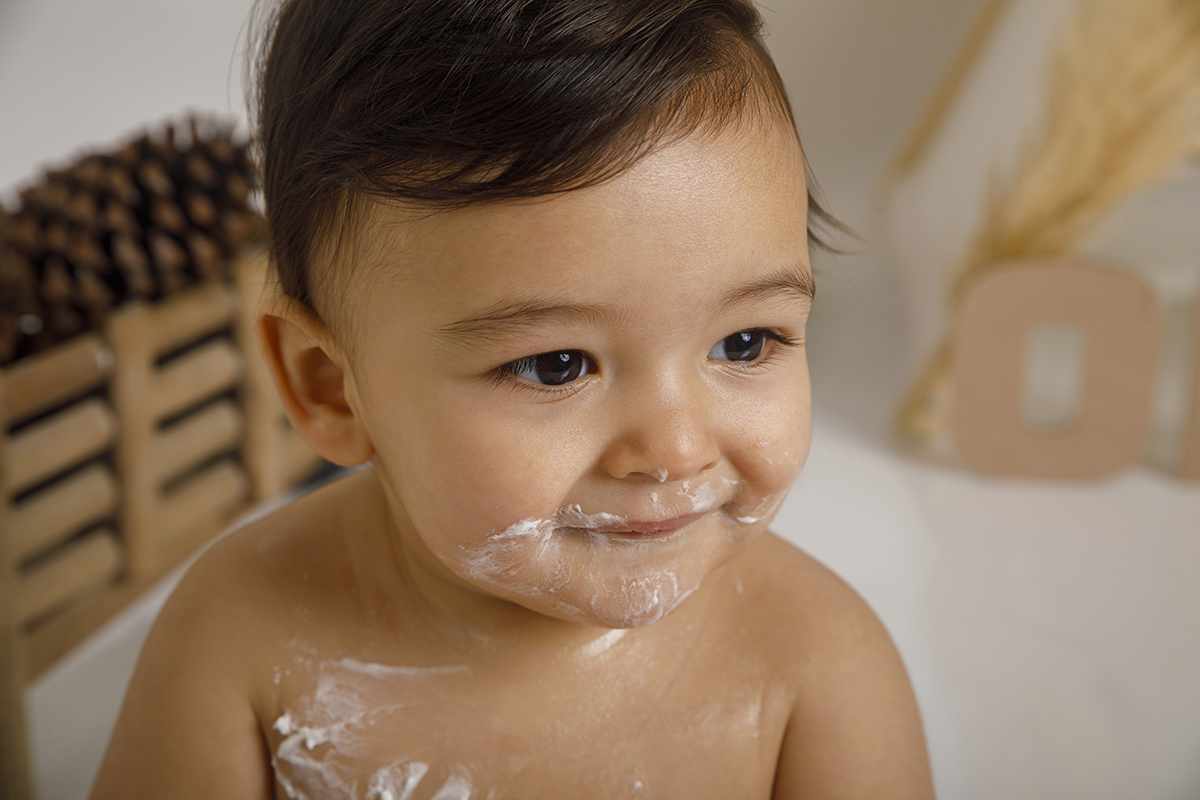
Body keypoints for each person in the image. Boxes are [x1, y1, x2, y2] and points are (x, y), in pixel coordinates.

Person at [90, 1, 934, 797]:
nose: (678, 450)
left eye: (746, 343)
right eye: (557, 365)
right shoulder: (240, 639)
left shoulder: (818, 670)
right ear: (330, 387)